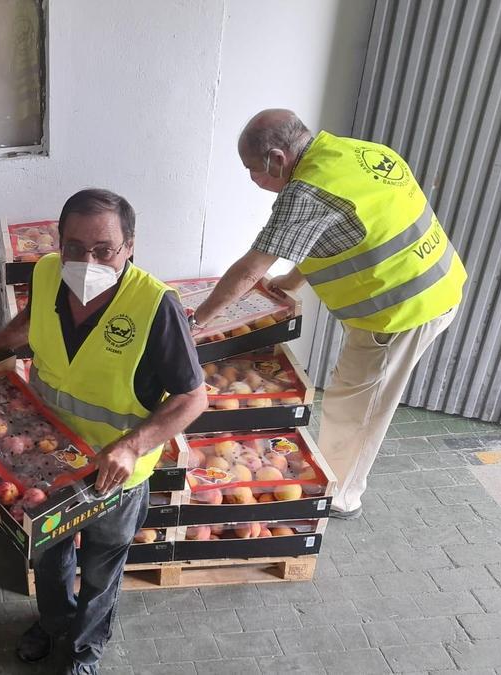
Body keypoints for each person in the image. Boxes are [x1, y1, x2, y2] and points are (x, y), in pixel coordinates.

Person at [0, 189, 207, 674]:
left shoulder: (156, 308)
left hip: (114, 473)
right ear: (59, 241)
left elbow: (193, 398)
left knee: (99, 568)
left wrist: (132, 446)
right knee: (49, 558)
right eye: (74, 247)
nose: (86, 260)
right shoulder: (48, 272)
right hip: (47, 459)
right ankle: (54, 624)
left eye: (103, 250)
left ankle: (83, 651)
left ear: (130, 246)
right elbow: (33, 321)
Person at [191, 109, 467, 519]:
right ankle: (336, 482)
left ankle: (339, 496)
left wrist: (197, 321)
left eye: (252, 169)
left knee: (358, 406)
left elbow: (250, 269)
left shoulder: (307, 192)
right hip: (440, 279)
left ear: (276, 158)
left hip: (402, 308)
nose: (252, 179)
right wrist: (291, 283)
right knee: (352, 392)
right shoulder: (355, 153)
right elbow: (338, 231)